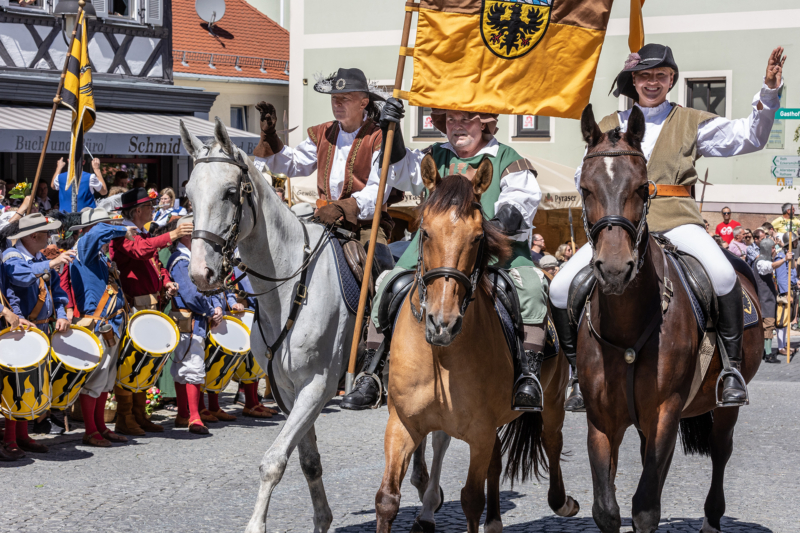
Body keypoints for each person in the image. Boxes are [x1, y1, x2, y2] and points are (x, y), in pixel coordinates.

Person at [549, 43, 786, 410]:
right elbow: (587, 175)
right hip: (621, 228)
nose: (653, 82)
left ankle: (731, 371)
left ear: (672, 79)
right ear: (634, 81)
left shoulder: (690, 120)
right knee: (561, 288)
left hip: (676, 220)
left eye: (661, 75)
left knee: (724, 275)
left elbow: (752, 136)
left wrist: (769, 92)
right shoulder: (608, 126)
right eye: (645, 75)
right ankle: (578, 376)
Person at [341, 98, 547, 412]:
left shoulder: (507, 158)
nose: (458, 126)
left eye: (467, 119)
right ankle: (371, 374)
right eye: (451, 120)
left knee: (532, 288)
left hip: (492, 246)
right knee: (387, 283)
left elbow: (520, 201)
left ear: (485, 122)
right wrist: (388, 128)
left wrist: (491, 226)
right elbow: (398, 170)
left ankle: (528, 376)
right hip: (432, 250)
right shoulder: (434, 155)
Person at [252, 68, 393, 247]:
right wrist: (270, 136)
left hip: (365, 225)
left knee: (375, 262)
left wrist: (341, 207)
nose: (337, 103)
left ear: (363, 103)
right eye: (334, 98)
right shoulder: (323, 132)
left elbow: (377, 190)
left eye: (345, 98)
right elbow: (294, 164)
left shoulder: (379, 136)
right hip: (324, 220)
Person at [109, 188, 192, 435]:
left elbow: (154, 261)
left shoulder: (140, 232)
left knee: (146, 361)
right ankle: (125, 417)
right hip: (133, 305)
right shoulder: (121, 233)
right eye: (150, 207)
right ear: (137, 211)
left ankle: (138, 413)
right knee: (131, 360)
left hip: (149, 304)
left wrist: (165, 280)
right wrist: (172, 234)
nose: (153, 211)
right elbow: (140, 250)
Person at [2, 213, 73, 457]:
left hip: (40, 328)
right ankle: (10, 439)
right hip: (22, 329)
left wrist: (62, 312)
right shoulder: (12, 256)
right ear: (33, 236)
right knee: (16, 384)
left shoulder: (38, 256)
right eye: (45, 234)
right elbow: (19, 278)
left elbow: (57, 289)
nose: (49, 239)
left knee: (31, 384)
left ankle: (22, 436)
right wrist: (52, 263)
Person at [69, 209, 135, 447]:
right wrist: (120, 229)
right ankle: (90, 431)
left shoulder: (97, 256)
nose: (107, 231)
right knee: (95, 381)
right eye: (105, 225)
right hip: (99, 325)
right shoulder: (84, 249)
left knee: (106, 380)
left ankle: (100, 427)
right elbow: (98, 231)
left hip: (111, 324)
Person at [166, 215, 225, 435]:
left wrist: (217, 305)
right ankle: (193, 416)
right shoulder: (182, 261)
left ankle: (185, 414)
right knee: (191, 366)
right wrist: (211, 310)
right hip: (190, 319)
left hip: (193, 319)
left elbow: (212, 287)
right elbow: (191, 295)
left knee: (186, 367)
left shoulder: (188, 258)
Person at [754, 238, 781, 363]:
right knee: (768, 327)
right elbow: (770, 266)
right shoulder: (760, 263)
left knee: (769, 327)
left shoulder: (763, 260)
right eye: (773, 248)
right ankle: (769, 354)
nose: (774, 250)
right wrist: (785, 259)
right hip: (764, 300)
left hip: (768, 299)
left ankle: (766, 351)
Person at [775, 232, 798, 359]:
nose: (796, 243)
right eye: (795, 241)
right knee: (781, 320)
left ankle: (784, 345)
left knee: (787, 320)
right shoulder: (781, 256)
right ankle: (780, 347)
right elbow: (782, 277)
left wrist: (796, 282)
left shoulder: (790, 255)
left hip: (791, 289)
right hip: (785, 292)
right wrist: (786, 293)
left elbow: (792, 273)